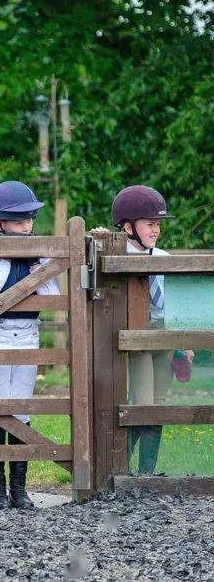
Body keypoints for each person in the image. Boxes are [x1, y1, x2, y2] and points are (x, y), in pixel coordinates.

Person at [0, 181, 60, 509]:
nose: (26, 226)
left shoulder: (38, 252)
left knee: (22, 408)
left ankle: (19, 489)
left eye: (28, 220)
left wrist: (38, 266)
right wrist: (10, 258)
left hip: (28, 332)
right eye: (18, 221)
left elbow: (52, 298)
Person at [110, 185, 193, 475]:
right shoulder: (117, 255)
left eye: (157, 224)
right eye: (150, 224)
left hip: (164, 336)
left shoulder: (164, 258)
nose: (156, 230)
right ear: (128, 227)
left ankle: (147, 472)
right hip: (136, 339)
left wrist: (184, 344)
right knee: (142, 402)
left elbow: (176, 308)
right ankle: (122, 469)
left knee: (159, 403)